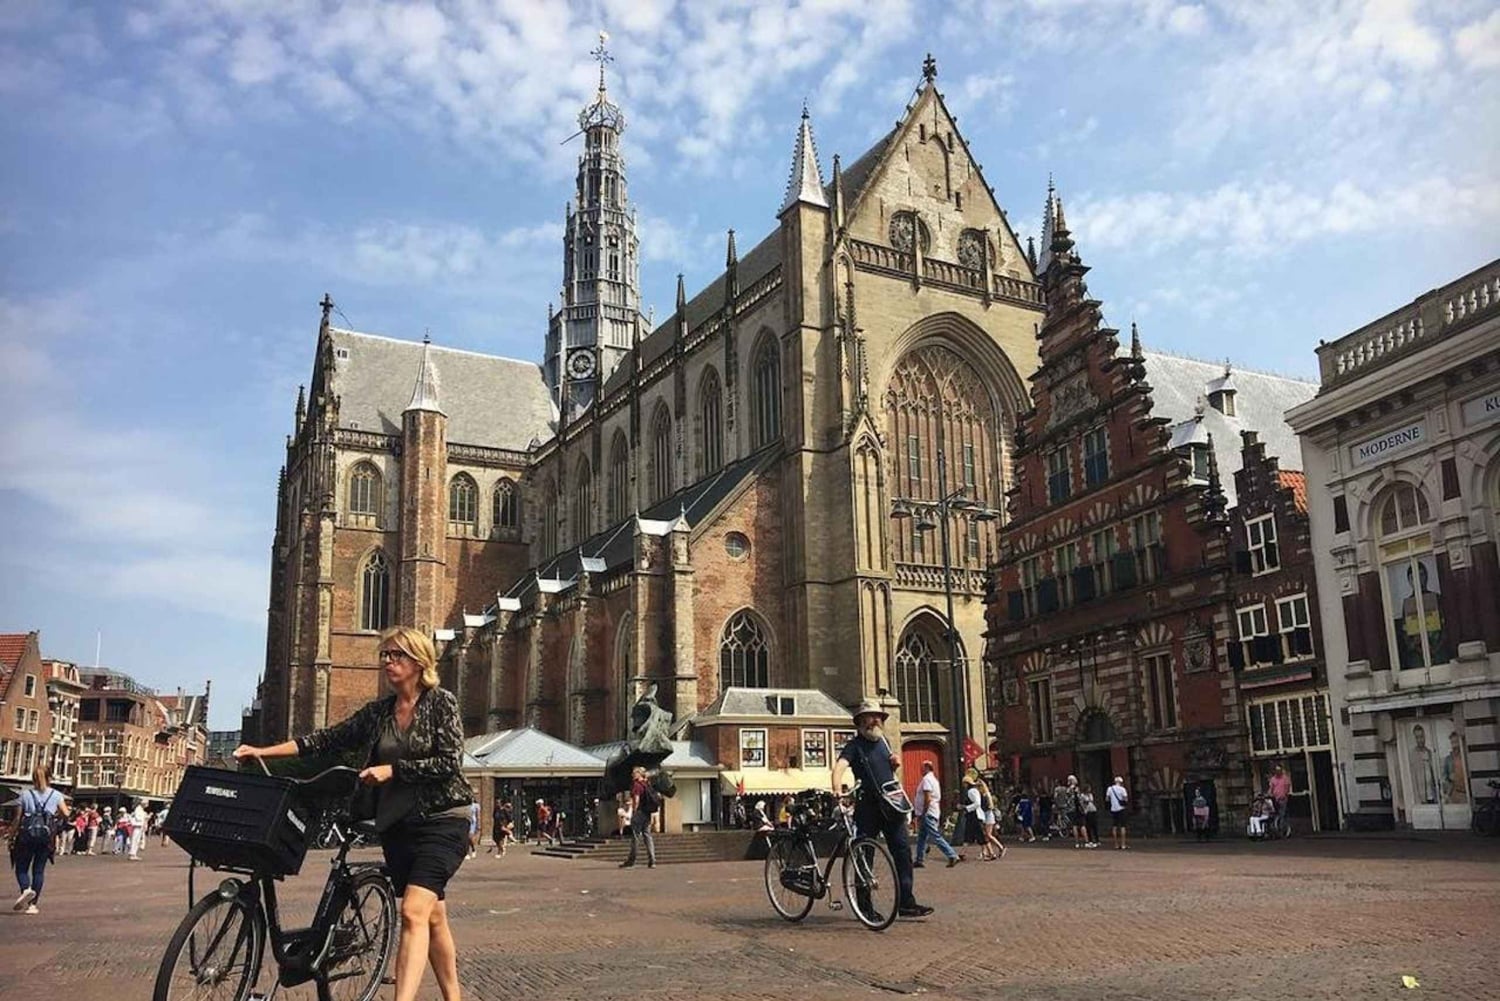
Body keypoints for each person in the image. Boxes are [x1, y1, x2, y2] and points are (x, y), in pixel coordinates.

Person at [232, 625, 475, 1001]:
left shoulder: (441, 703)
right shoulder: (379, 713)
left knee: (412, 912)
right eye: (385, 655)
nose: (388, 662)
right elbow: (327, 739)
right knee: (432, 914)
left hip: (444, 819)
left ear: (419, 661)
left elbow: (449, 761)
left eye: (396, 655)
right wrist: (263, 751)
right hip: (398, 825)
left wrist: (393, 770)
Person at [830, 699, 933, 919]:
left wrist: (894, 764)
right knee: (863, 855)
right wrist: (837, 788)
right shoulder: (854, 746)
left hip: (892, 805)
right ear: (861, 722)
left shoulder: (884, 741)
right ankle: (865, 908)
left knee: (903, 851)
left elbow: (888, 769)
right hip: (868, 807)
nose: (875, 720)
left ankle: (906, 902)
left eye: (878, 716)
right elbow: (840, 767)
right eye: (870, 717)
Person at [12, 764, 69, 915]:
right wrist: (55, 819)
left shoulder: (25, 795)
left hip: (27, 836)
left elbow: (18, 818)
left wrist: (11, 834)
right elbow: (66, 813)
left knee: (21, 868)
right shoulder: (56, 795)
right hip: (46, 837)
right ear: (50, 777)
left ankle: (25, 889)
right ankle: (32, 905)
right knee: (38, 870)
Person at [911, 760, 961, 868]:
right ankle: (919, 859)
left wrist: (923, 811)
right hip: (931, 811)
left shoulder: (927, 780)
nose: (920, 770)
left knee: (935, 836)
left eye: (922, 768)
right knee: (922, 837)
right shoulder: (933, 780)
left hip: (928, 813)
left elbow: (927, 798)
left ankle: (952, 855)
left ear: (927, 768)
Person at [619, 766, 658, 869]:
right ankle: (652, 861)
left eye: (634, 773)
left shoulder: (636, 785)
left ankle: (631, 861)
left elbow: (636, 800)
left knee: (635, 837)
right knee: (647, 836)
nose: (632, 774)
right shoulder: (647, 784)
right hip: (647, 813)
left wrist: (635, 812)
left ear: (638, 774)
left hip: (640, 813)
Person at [975, 777, 1006, 861]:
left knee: (988, 835)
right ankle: (990, 853)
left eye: (978, 786)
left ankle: (1001, 847)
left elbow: (990, 806)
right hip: (986, 815)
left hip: (988, 815)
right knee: (986, 836)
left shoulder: (985, 795)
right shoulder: (983, 795)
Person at [1106, 776, 1130, 850]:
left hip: (1113, 809)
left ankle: (1116, 844)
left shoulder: (1110, 789)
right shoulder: (1123, 789)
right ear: (1121, 782)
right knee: (1123, 826)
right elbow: (1126, 799)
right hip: (1121, 809)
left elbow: (1107, 799)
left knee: (1115, 826)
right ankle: (1123, 844)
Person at [1268, 764, 1292, 833]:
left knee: (1282, 813)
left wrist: (1285, 795)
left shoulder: (1285, 778)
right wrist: (1270, 794)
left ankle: (1282, 828)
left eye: (1279, 770)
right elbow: (1271, 788)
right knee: (1274, 813)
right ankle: (1275, 826)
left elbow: (1287, 788)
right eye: (1276, 771)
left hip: (1283, 798)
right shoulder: (1273, 779)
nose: (1278, 772)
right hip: (1275, 799)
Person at [1078, 784, 1099, 849]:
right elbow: (1084, 802)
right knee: (1089, 826)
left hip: (1093, 810)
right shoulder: (1082, 796)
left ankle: (1096, 839)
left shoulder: (1090, 795)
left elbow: (1091, 800)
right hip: (1087, 811)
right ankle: (1090, 840)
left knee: (1094, 825)